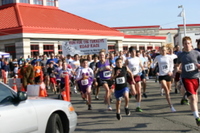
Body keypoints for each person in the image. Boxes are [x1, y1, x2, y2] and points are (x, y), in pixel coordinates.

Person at [174, 36, 200, 126]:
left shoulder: (196, 53)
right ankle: (197, 117)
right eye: (185, 43)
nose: (187, 45)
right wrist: (177, 69)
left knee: (195, 97)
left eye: (188, 43)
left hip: (196, 78)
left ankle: (196, 111)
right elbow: (177, 64)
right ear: (183, 45)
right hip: (186, 78)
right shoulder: (180, 55)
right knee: (192, 98)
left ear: (191, 43)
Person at [153, 46, 176, 112]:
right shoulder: (158, 57)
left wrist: (171, 71)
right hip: (161, 75)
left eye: (164, 50)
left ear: (166, 51)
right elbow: (154, 63)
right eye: (162, 50)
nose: (163, 51)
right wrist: (155, 70)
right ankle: (171, 106)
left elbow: (171, 65)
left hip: (168, 75)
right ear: (160, 51)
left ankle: (170, 104)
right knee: (165, 89)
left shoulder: (169, 57)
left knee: (168, 92)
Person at [125, 47, 143, 112]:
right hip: (130, 77)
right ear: (130, 52)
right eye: (132, 52)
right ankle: (130, 93)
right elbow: (125, 66)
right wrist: (128, 71)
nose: (134, 53)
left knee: (139, 92)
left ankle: (138, 106)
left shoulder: (138, 59)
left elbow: (141, 65)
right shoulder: (128, 59)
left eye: (135, 52)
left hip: (137, 76)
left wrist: (142, 68)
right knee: (134, 92)